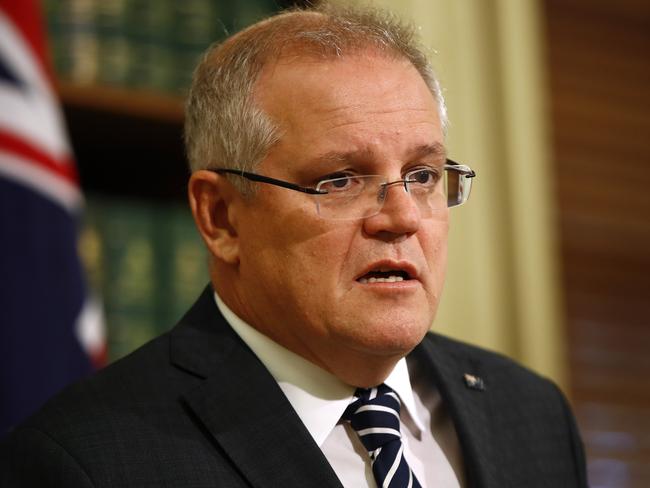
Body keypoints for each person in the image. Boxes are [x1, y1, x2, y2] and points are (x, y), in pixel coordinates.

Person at [1, 4, 587, 487]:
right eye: (339, 181)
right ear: (222, 216)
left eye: (424, 175)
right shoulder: (86, 462)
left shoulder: (530, 414)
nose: (403, 217)